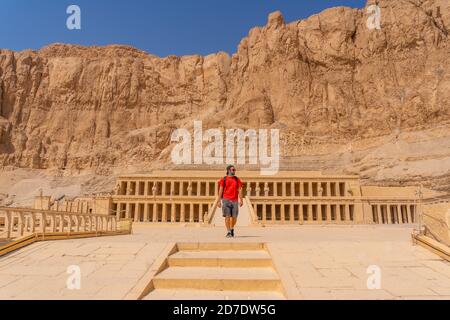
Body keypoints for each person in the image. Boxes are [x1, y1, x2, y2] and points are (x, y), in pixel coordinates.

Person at [217, 165, 243, 238]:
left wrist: (241, 200)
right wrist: (219, 201)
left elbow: (240, 190)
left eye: (234, 170)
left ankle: (232, 228)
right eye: (233, 170)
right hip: (226, 199)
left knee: (234, 217)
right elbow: (220, 190)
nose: (234, 171)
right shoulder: (223, 179)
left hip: (234, 200)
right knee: (227, 216)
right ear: (228, 170)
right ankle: (228, 231)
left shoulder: (237, 179)